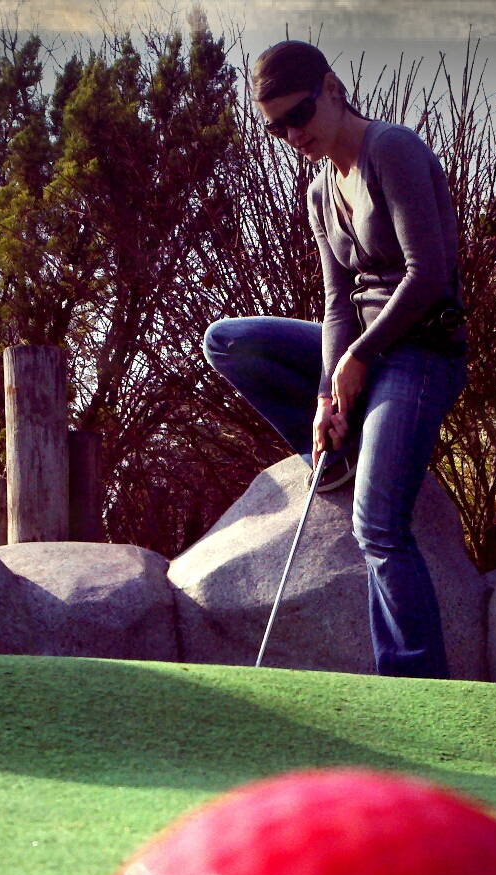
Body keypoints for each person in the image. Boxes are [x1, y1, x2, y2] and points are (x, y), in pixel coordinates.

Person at [203, 40, 469, 680]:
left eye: (298, 115)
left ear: (331, 88)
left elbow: (429, 273)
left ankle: (416, 691)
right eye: (275, 128)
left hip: (422, 351)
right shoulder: (320, 190)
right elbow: (336, 303)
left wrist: (358, 358)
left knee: (377, 525)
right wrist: (326, 394)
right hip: (363, 349)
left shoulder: (392, 150)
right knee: (226, 340)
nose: (292, 135)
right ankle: (336, 451)